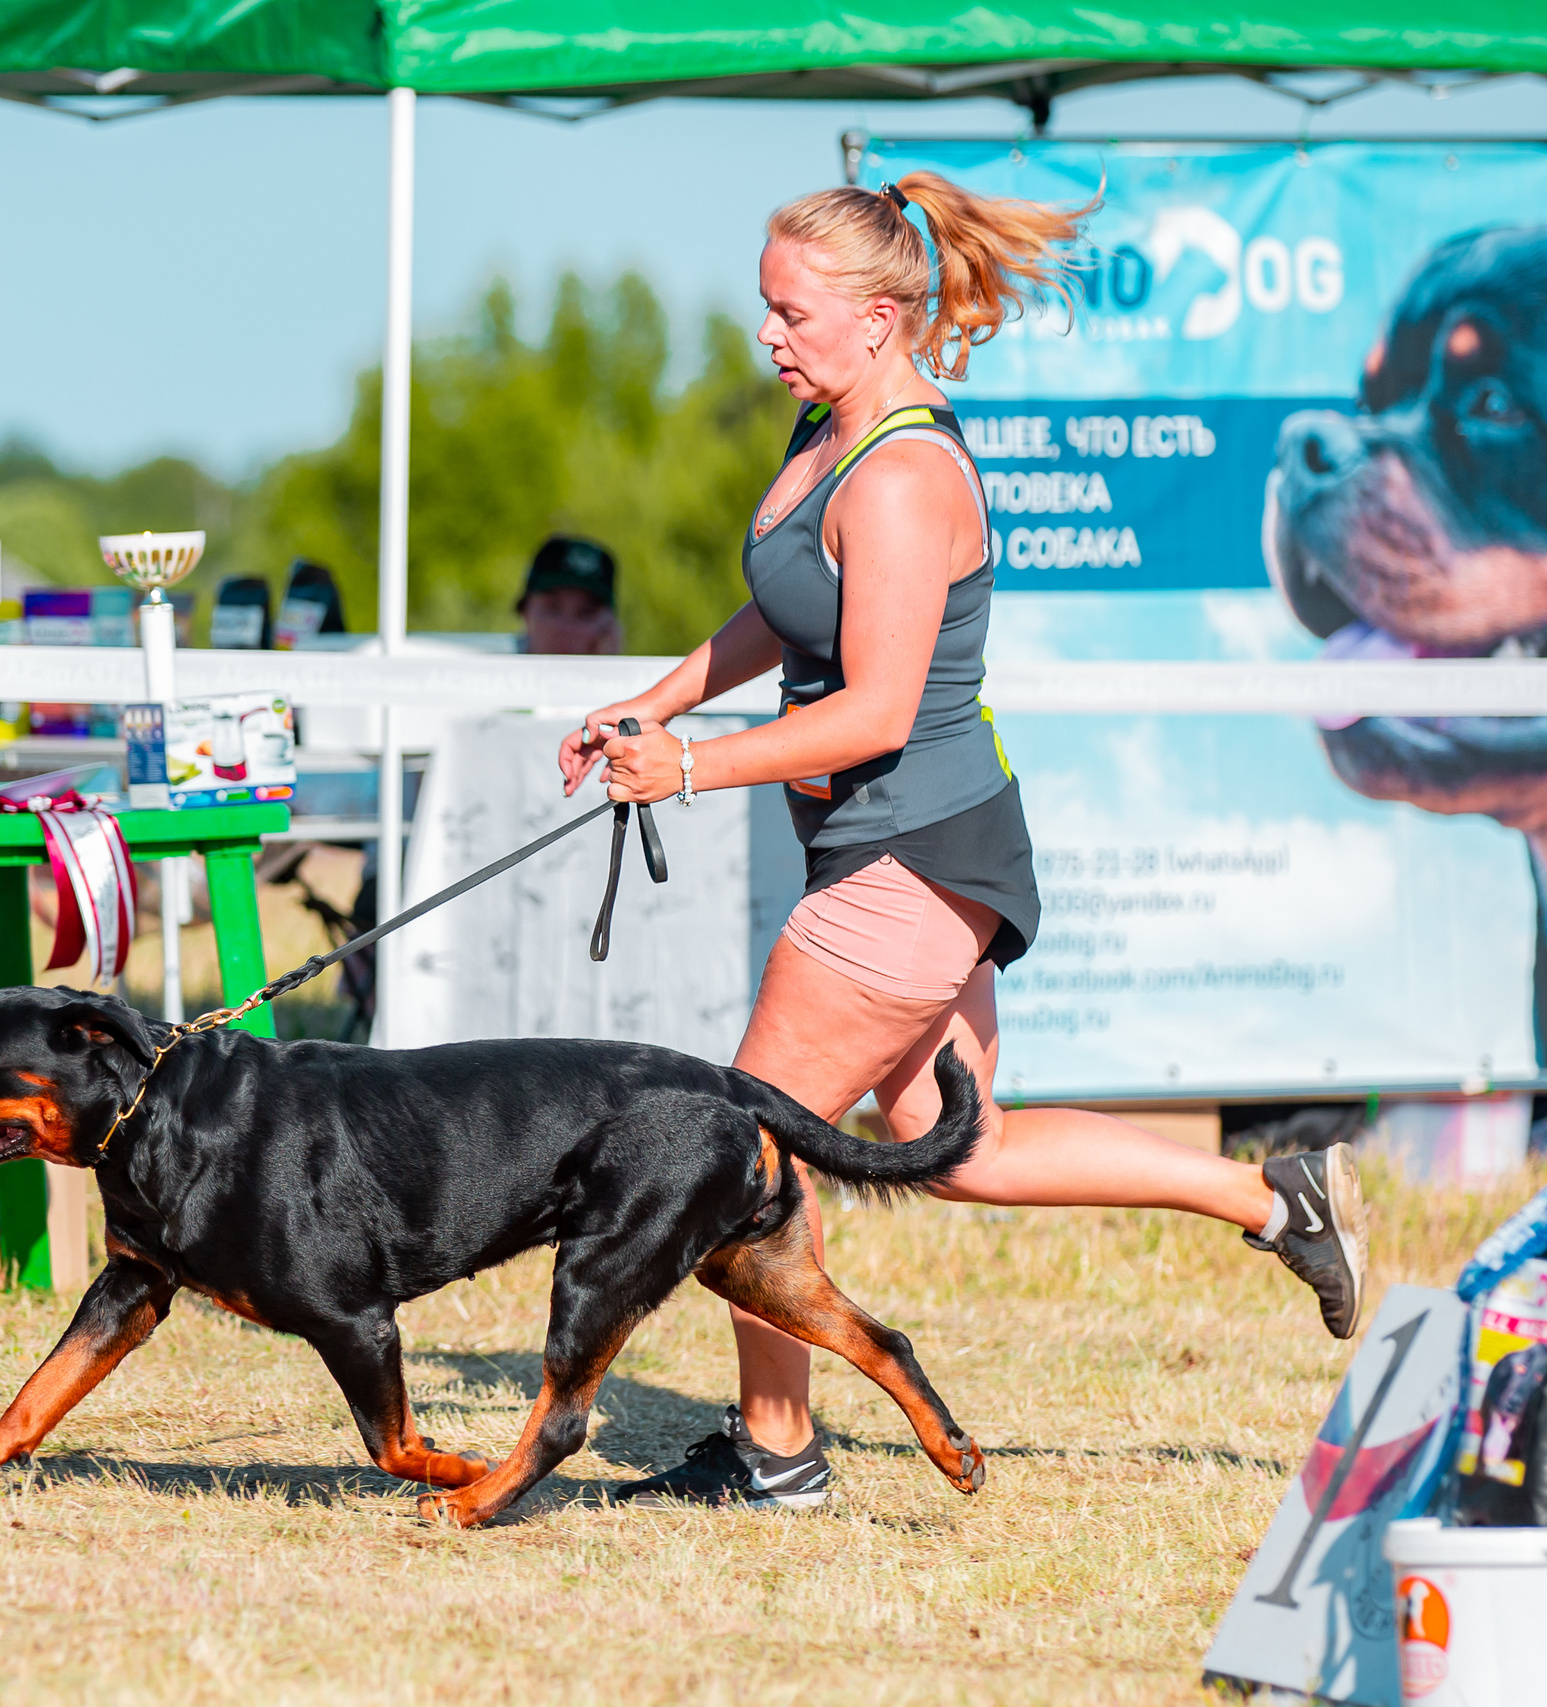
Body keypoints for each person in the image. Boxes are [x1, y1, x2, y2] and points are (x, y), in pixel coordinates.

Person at [557, 172, 1368, 1510]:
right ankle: (1277, 1198)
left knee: (744, 1152)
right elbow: (791, 606)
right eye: (764, 305)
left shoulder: (907, 475)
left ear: (879, 318)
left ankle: (774, 1454)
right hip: (913, 848)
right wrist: (662, 694)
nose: (769, 333)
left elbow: (873, 705)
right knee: (963, 1139)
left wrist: (686, 764)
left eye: (793, 311)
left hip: (907, 857)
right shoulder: (829, 431)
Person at [519, 534, 624, 656]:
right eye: (552, 608)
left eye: (586, 613)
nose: (566, 628)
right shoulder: (492, 664)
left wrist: (607, 668)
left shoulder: (638, 673)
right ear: (525, 610)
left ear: (610, 625)